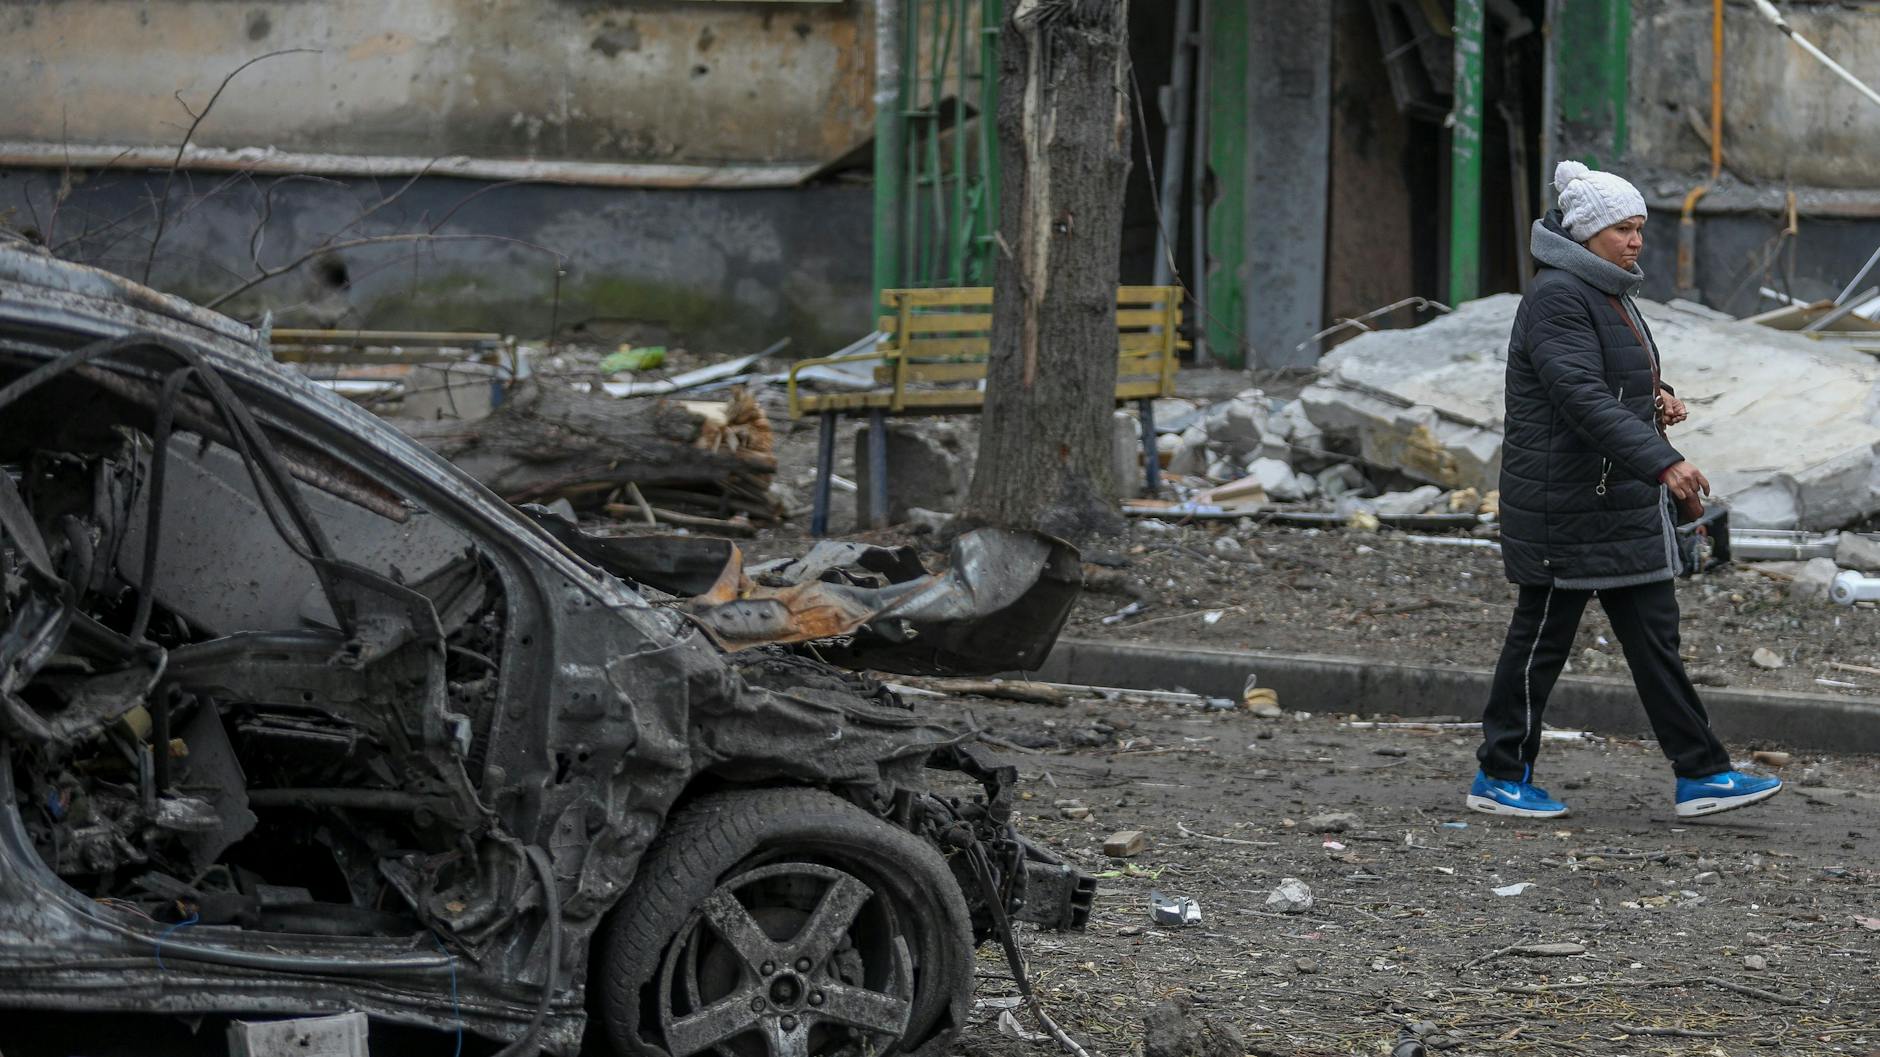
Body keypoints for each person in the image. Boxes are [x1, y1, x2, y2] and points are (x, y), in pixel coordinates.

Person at [1466, 160, 1781, 821]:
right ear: (1585, 233)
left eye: (1640, 228)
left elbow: (1602, 377)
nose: (1636, 241)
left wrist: (1653, 397)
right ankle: (1499, 774)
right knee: (1540, 643)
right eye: (1622, 229)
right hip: (1567, 508)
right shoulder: (1559, 296)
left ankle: (1702, 773)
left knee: (1654, 640)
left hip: (1612, 505)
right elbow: (1577, 395)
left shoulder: (1602, 288)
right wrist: (1664, 462)